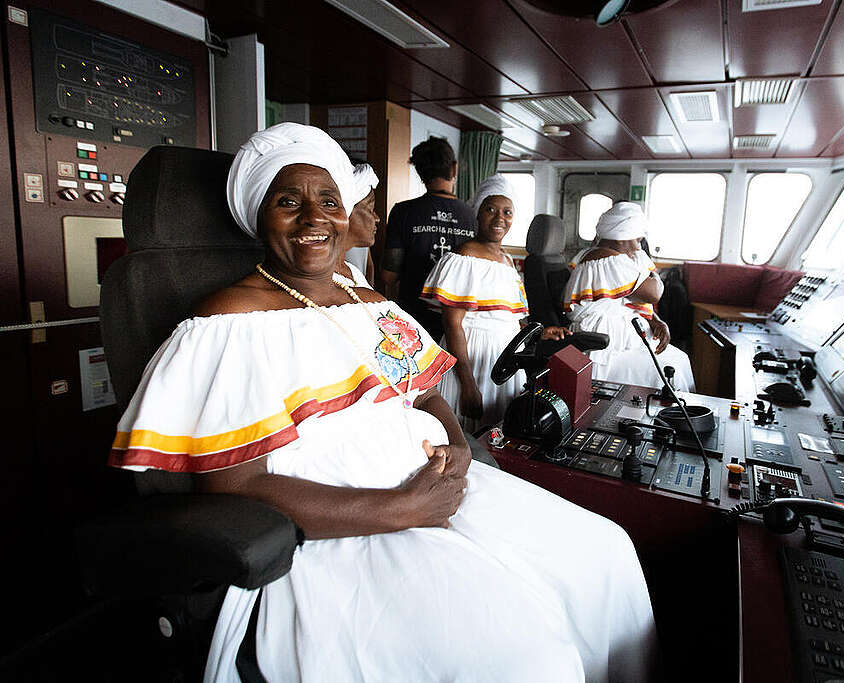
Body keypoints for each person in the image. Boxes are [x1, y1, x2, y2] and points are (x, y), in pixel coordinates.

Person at [108, 124, 656, 683]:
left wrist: (459, 444)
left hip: (430, 476)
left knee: (604, 556)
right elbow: (233, 486)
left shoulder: (364, 298)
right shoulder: (227, 320)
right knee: (529, 658)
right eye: (287, 202)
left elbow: (424, 387)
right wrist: (401, 510)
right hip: (337, 517)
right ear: (259, 217)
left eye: (328, 200)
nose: (314, 218)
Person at [421, 175, 569, 433]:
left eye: (507, 212)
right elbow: (453, 325)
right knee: (470, 435)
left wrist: (541, 333)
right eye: (490, 209)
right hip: (471, 359)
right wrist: (467, 383)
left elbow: (510, 319)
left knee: (499, 432)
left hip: (504, 358)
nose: (500, 218)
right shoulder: (463, 257)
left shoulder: (508, 261)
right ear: (477, 214)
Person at [562, 202, 695, 391]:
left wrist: (654, 320)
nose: (638, 248)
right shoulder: (606, 259)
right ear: (621, 237)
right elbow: (654, 293)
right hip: (604, 350)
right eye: (638, 240)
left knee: (679, 360)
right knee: (672, 368)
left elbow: (625, 301)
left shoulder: (606, 256)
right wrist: (650, 269)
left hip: (615, 342)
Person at [380, 136, 476, 340]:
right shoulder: (473, 216)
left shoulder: (403, 212)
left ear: (420, 172)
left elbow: (389, 276)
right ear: (454, 168)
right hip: (460, 324)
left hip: (413, 322)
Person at [335, 162, 378, 288]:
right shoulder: (324, 279)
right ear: (346, 212)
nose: (377, 218)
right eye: (371, 209)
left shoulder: (354, 274)